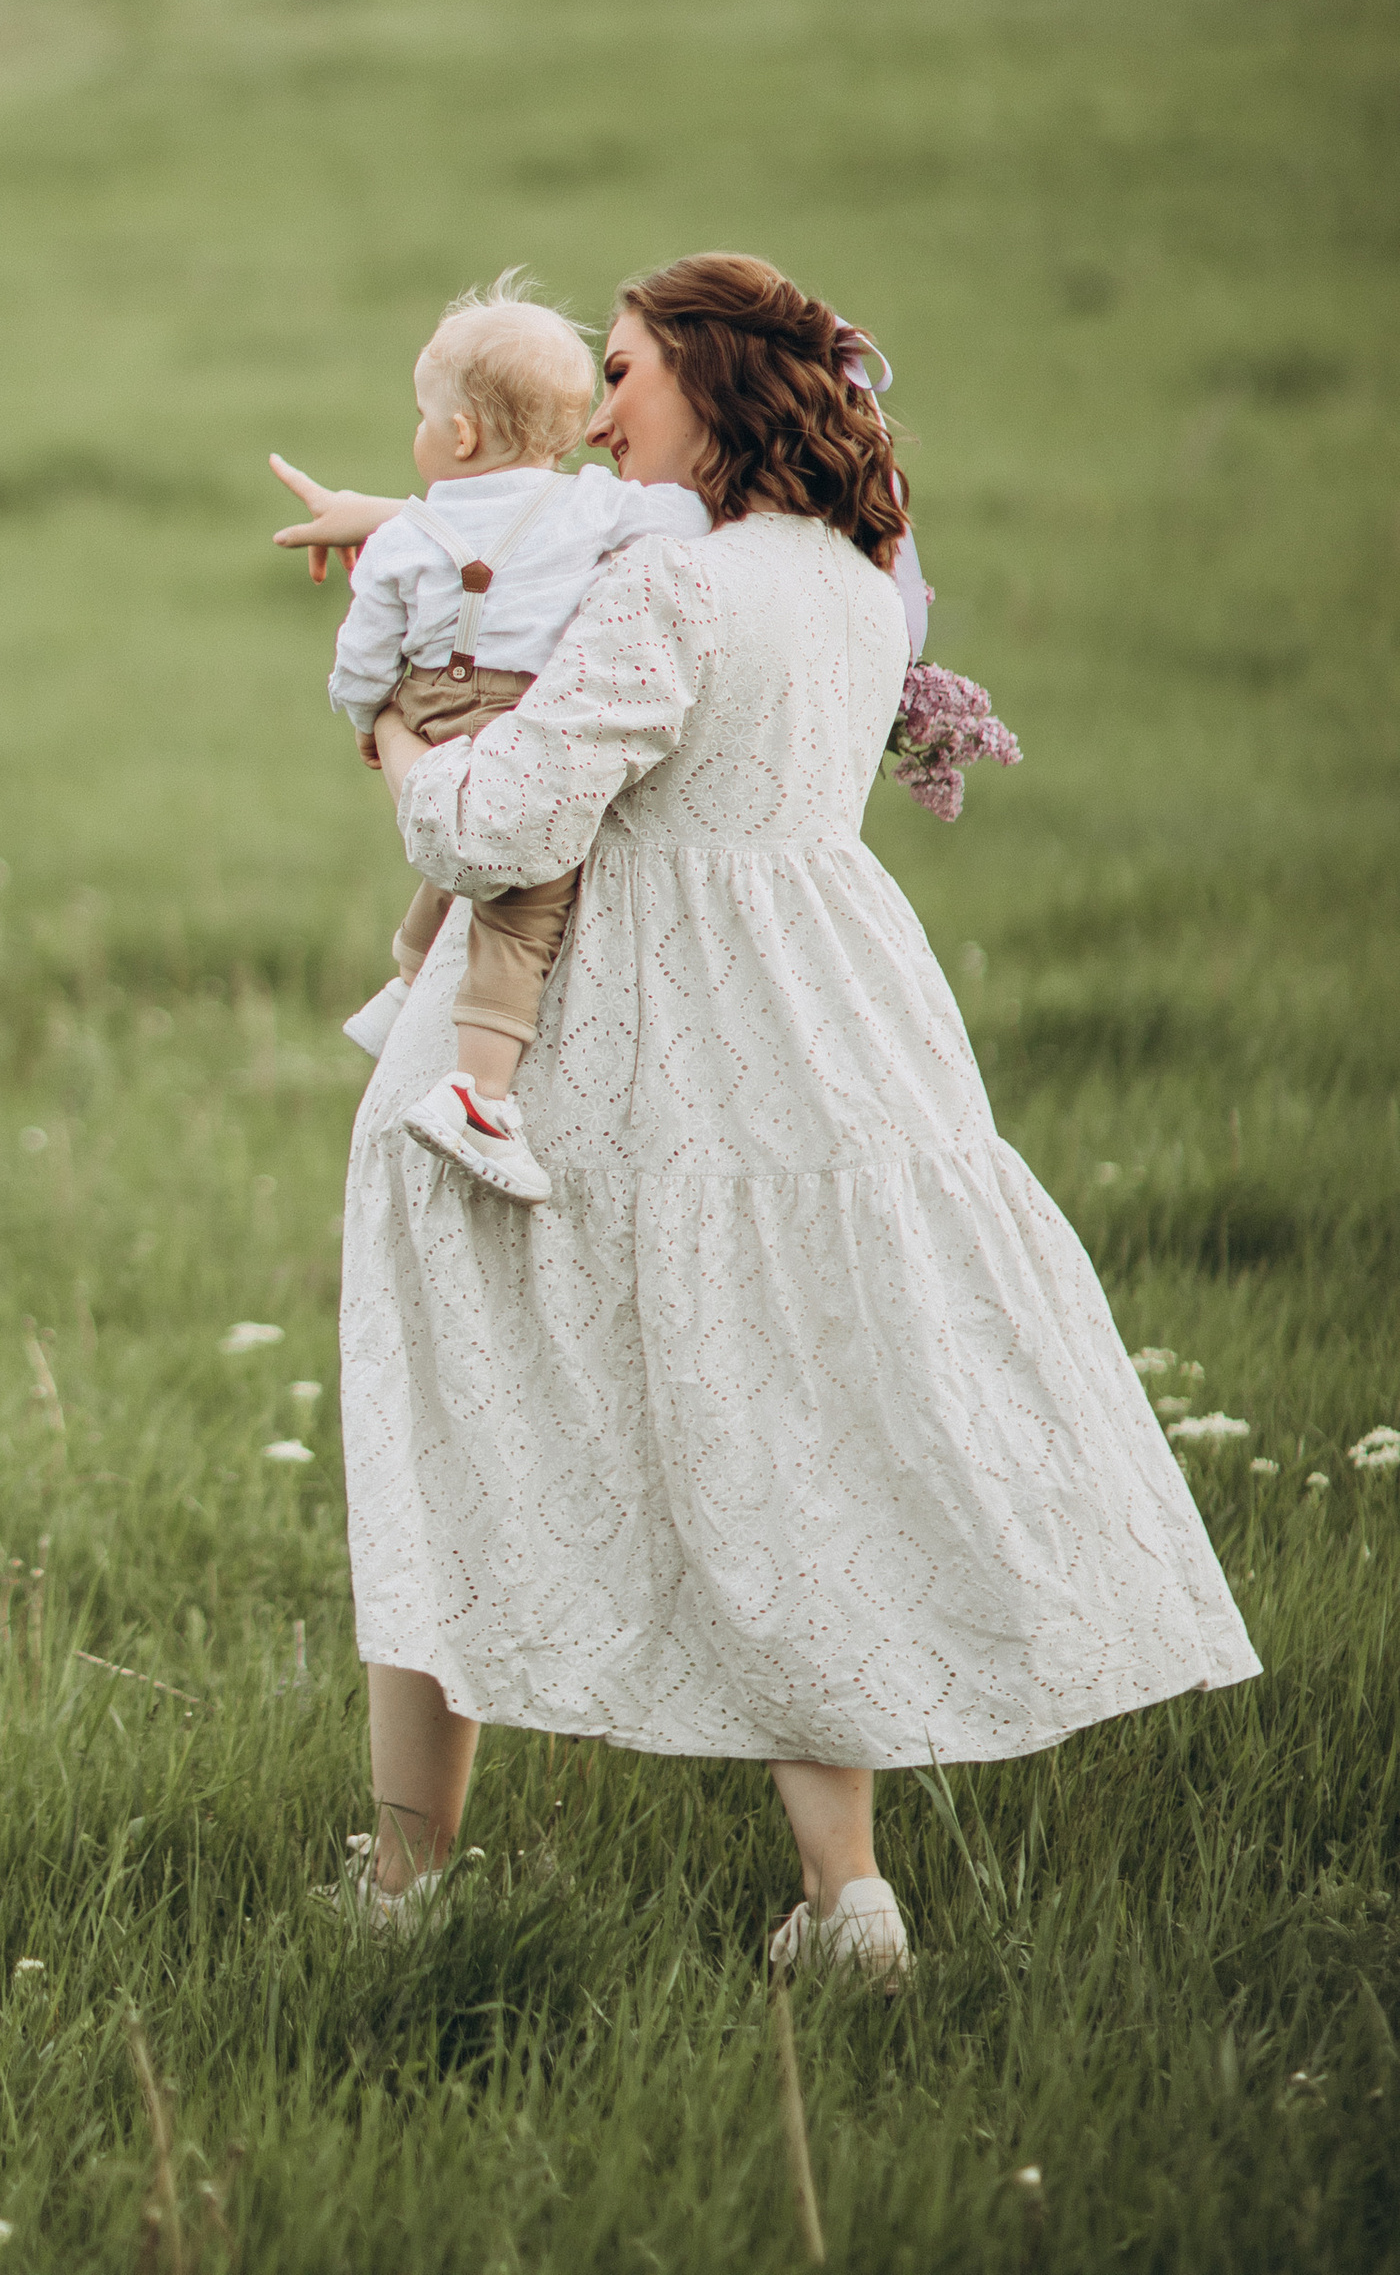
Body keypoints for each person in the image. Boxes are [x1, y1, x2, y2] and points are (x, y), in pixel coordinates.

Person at [271, 252, 1258, 1985]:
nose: (597, 398)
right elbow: (553, 540)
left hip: (622, 1041)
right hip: (830, 1021)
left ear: (708, 386)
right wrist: (417, 523)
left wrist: (394, 745)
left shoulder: (677, 594)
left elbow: (495, 827)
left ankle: (407, 1880)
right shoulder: (863, 582)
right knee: (792, 1426)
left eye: (627, 365)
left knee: (453, 1419)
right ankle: (843, 1892)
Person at [321, 274, 708, 1202]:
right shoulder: (588, 505)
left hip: (430, 703)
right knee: (523, 909)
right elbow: (686, 518)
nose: (417, 436)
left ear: (458, 436)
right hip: (519, 714)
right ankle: (481, 1090)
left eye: (422, 417)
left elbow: (363, 646)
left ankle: (411, 996)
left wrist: (368, 716)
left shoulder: (408, 531)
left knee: (456, 859)